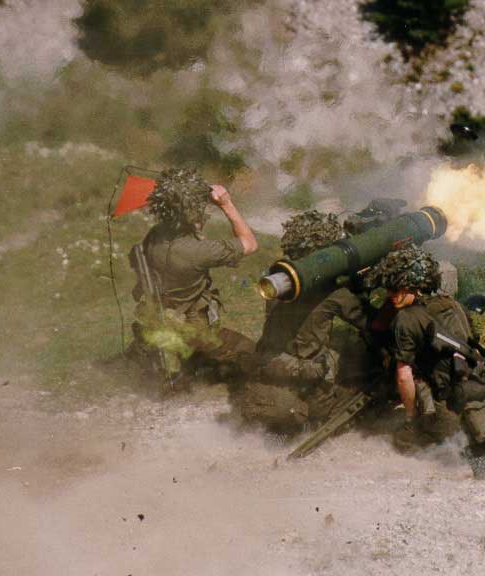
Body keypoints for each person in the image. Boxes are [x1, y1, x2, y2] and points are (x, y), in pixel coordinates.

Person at [364, 245, 485, 453]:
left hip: (447, 398)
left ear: (412, 285)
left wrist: (411, 417)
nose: (390, 295)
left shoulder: (406, 319)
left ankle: (454, 435)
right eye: (388, 289)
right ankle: (482, 428)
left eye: (395, 289)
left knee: (404, 441)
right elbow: (472, 341)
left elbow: (404, 376)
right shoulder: (452, 304)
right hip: (477, 384)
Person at [128, 167, 258, 390]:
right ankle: (196, 363)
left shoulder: (155, 236)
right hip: (193, 329)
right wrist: (226, 204)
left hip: (163, 317)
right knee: (252, 353)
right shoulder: (196, 251)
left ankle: (183, 358)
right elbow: (250, 244)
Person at [241, 210, 361, 431]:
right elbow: (368, 323)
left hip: (271, 364)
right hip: (304, 373)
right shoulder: (333, 293)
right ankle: (310, 415)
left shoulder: (278, 280)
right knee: (351, 374)